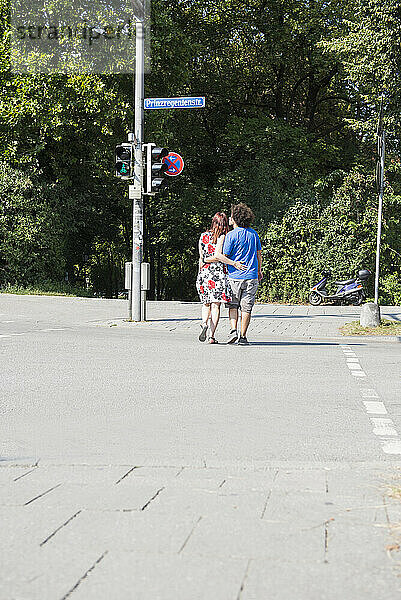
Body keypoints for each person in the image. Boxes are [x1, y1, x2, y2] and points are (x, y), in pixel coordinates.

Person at [213, 203, 263, 345]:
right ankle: (243, 336)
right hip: (252, 276)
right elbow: (259, 254)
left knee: (233, 305)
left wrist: (233, 263)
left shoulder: (231, 235)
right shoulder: (254, 234)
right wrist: (259, 270)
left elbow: (224, 255)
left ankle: (233, 330)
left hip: (235, 276)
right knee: (247, 308)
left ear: (235, 219)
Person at [196, 212, 246, 344]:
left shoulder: (203, 236)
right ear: (224, 224)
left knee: (206, 303)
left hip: (204, 272)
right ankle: (211, 336)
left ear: (213, 222)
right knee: (216, 306)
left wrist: (204, 262)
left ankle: (204, 323)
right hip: (217, 273)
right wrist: (233, 263)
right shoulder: (222, 237)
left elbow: (201, 256)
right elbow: (218, 256)